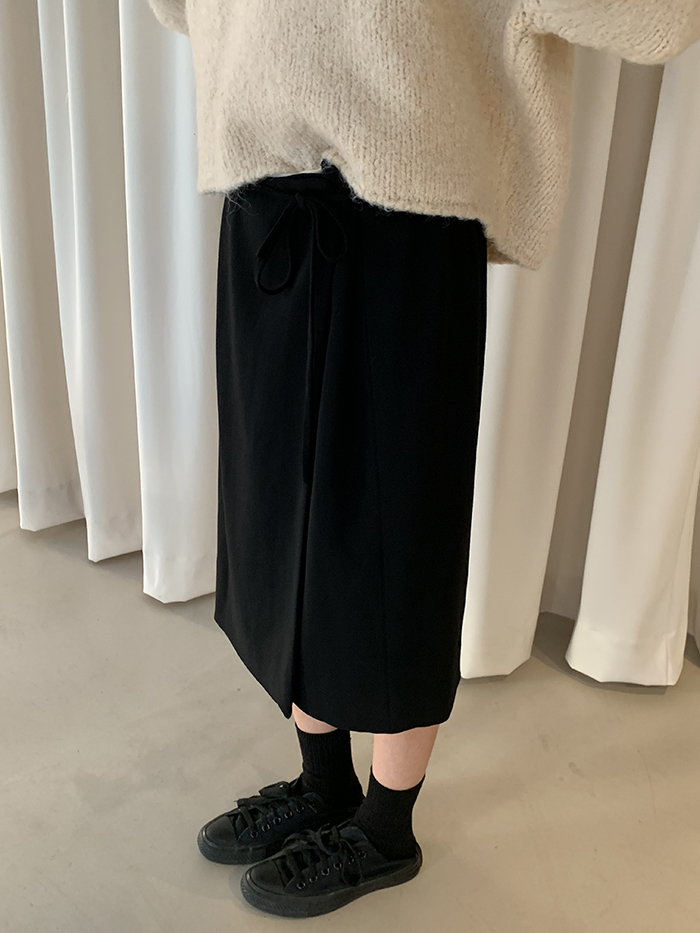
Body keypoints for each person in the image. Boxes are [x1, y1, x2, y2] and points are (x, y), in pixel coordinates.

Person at [146, 0, 700, 918]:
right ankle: (323, 780)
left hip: (406, 219)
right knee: (275, 518)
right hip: (266, 201)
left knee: (396, 536)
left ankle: (386, 824)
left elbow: (659, 20)